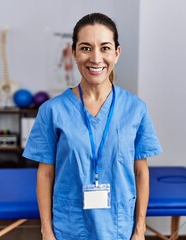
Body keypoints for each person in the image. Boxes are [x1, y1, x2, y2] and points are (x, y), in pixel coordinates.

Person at [23, 12, 162, 240]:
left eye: (105, 48)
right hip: (70, 227)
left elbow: (140, 171)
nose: (96, 58)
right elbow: (45, 175)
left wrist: (139, 229)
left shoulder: (136, 109)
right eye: (86, 48)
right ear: (74, 53)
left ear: (117, 53)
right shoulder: (52, 111)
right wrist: (46, 231)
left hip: (119, 228)